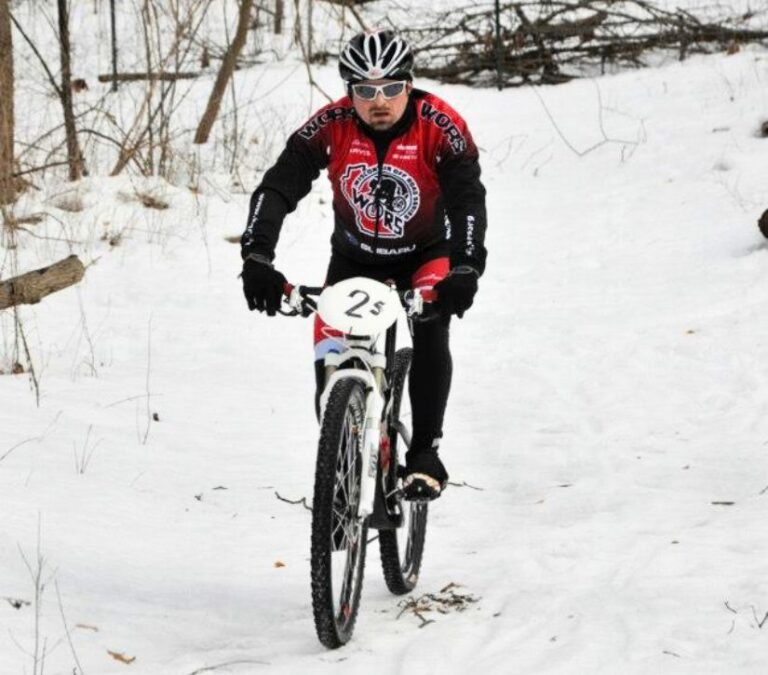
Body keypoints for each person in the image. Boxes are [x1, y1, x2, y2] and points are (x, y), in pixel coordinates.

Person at [240, 29, 487, 500]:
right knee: (330, 366)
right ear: (348, 91)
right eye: (365, 91)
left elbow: (467, 198)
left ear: (409, 86)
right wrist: (256, 256)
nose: (379, 102)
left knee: (432, 325)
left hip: (427, 254)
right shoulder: (331, 124)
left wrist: (466, 266)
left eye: (392, 89)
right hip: (355, 257)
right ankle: (342, 464)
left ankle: (425, 456)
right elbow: (278, 186)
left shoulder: (439, 123)